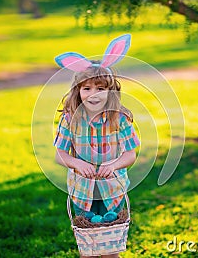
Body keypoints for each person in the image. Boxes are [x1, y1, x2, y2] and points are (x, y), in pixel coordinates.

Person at [53, 34, 140, 258]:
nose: (93, 94)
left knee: (111, 248)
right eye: (87, 89)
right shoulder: (70, 118)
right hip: (82, 191)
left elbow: (130, 154)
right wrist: (76, 163)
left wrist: (114, 163)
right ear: (78, 91)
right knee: (89, 249)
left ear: (110, 91)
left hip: (114, 190)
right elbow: (59, 154)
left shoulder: (120, 118)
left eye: (100, 89)